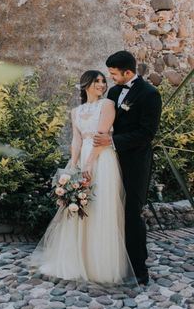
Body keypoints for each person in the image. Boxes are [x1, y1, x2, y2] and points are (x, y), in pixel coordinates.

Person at [31, 70, 135, 284]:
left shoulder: (106, 105)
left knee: (99, 207)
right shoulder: (76, 111)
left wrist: (90, 164)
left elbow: (101, 136)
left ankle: (99, 265)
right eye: (96, 81)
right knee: (78, 209)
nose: (101, 84)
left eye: (102, 81)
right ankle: (76, 261)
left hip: (102, 159)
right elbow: (76, 140)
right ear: (86, 84)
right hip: (83, 160)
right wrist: (74, 164)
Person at [93, 51, 162, 285]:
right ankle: (114, 262)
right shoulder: (113, 92)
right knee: (110, 210)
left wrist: (112, 142)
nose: (111, 78)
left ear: (128, 72)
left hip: (135, 162)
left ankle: (139, 270)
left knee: (132, 213)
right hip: (110, 162)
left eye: (114, 74)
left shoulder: (150, 94)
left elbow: (147, 133)